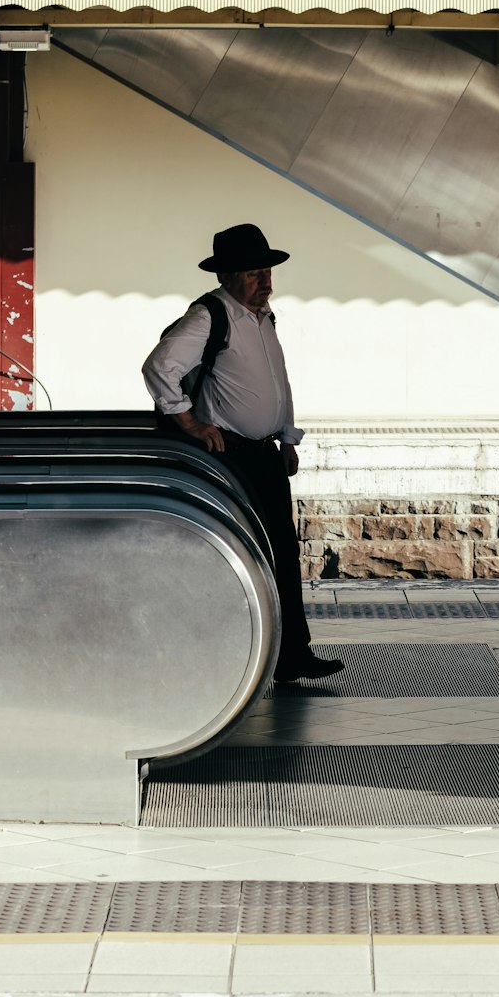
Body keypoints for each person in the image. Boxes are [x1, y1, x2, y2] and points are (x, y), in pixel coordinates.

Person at [142, 222, 343, 684]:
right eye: (254, 273)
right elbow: (159, 368)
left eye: (267, 271)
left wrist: (287, 437)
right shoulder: (210, 315)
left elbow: (277, 382)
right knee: (241, 556)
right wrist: (189, 421)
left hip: (264, 452)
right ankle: (235, 656)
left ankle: (292, 653)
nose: (265, 281)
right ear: (227, 277)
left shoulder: (261, 317)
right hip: (231, 455)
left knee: (283, 553)